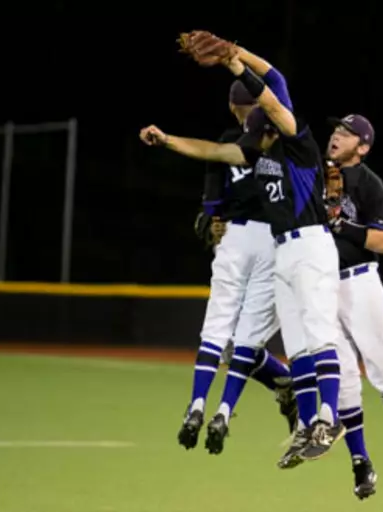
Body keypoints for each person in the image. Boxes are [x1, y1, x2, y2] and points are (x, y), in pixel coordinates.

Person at [140, 40, 345, 464]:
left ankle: (330, 417)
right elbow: (213, 151)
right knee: (298, 346)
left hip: (311, 244)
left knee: (319, 334)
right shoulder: (260, 151)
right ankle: (307, 425)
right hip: (284, 251)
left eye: (259, 130)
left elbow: (274, 92)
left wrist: (236, 63)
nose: (255, 139)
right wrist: (167, 141)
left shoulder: (297, 141)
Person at [177, 59, 297, 455]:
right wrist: (237, 56)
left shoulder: (228, 145)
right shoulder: (282, 141)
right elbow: (276, 82)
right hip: (275, 244)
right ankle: (234, 406)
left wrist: (212, 220)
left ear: (233, 108)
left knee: (218, 334)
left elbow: (212, 206)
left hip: (237, 241)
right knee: (244, 342)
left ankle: (197, 404)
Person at [315, 114, 383, 499]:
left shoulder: (370, 184)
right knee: (342, 376)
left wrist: (342, 226)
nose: (335, 136)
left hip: (360, 282)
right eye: (335, 130)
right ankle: (360, 463)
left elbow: (381, 241)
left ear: (362, 147)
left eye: (345, 134)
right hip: (321, 288)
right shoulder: (316, 176)